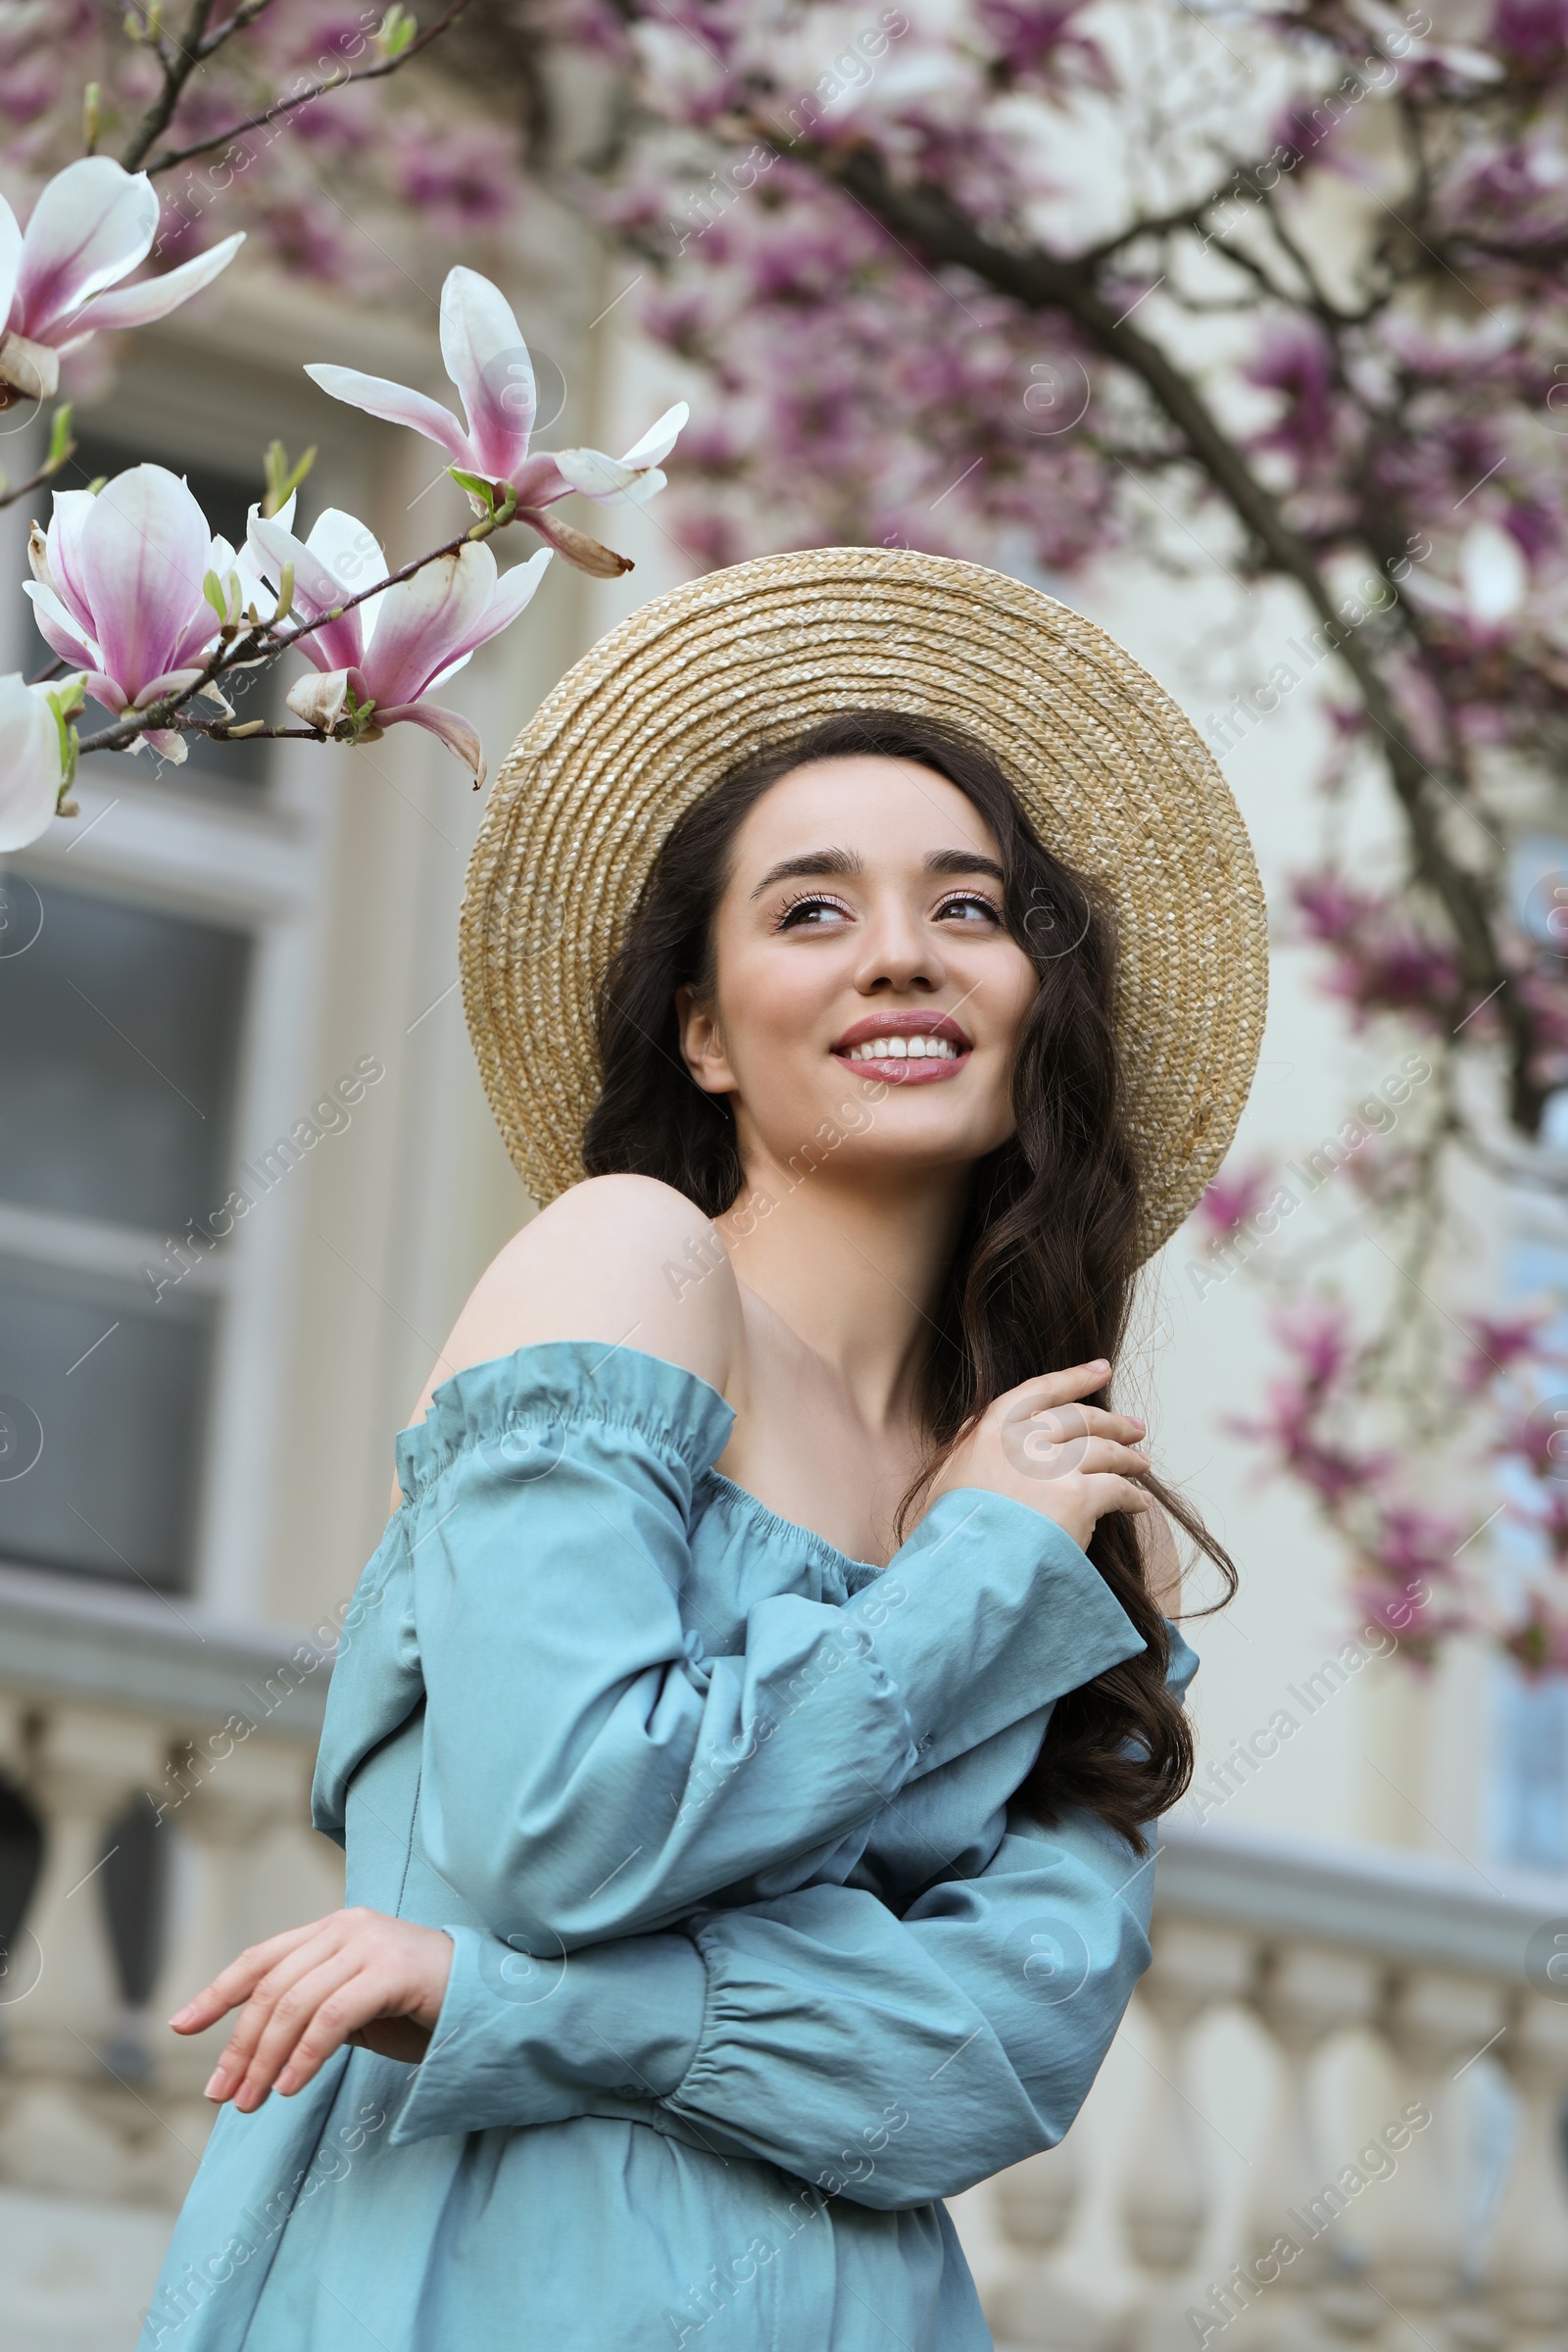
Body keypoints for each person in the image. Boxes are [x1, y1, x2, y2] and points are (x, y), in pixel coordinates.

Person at [138, 548, 1266, 2350]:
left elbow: (987, 2068)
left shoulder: (1057, 1499)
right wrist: (966, 1581)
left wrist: (520, 2007)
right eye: (812, 912)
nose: (901, 947)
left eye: (968, 907)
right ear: (700, 1025)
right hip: (492, 2264)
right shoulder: (628, 1262)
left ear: (1034, 993)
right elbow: (561, 1834)